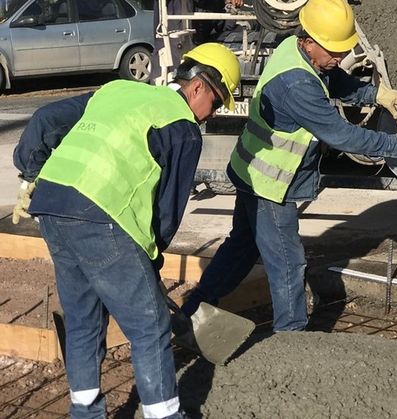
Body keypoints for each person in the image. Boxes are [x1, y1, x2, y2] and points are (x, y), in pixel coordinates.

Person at [12, 43, 241, 419]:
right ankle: (165, 415)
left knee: (84, 320)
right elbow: (166, 215)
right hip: (101, 217)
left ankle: (85, 412)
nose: (210, 115)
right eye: (215, 104)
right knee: (150, 326)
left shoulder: (119, 89)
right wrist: (150, 258)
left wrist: (33, 172)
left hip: (52, 205)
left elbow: (46, 118)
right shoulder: (183, 129)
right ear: (198, 86)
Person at [181, 0, 397, 331]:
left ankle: (192, 309)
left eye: (343, 51)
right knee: (287, 262)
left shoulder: (295, 51)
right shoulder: (297, 85)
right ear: (309, 41)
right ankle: (293, 338)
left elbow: (333, 80)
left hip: (253, 172)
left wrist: (373, 94)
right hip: (270, 184)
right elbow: (343, 135)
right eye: (333, 51)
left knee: (241, 247)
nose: (339, 58)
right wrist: (396, 144)